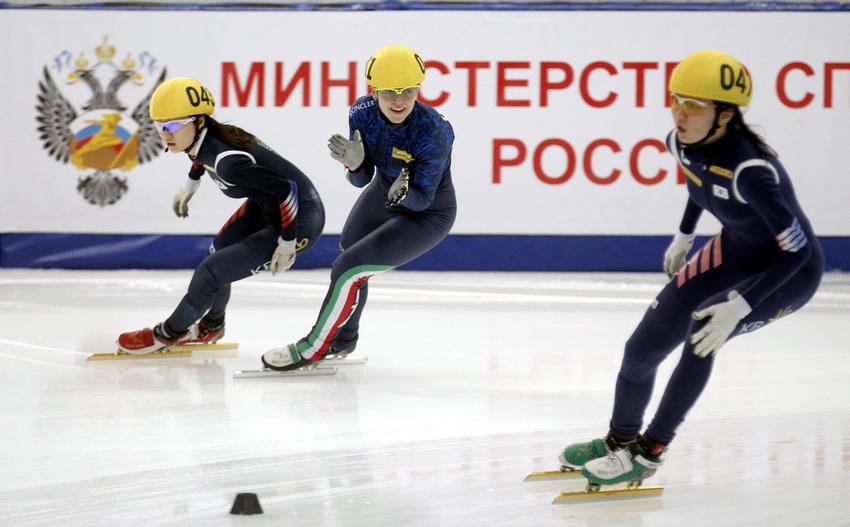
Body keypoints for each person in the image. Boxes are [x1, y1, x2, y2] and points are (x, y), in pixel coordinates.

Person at [559, 50, 824, 486]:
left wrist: (740, 306)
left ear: (725, 114)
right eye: (676, 100)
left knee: (702, 333)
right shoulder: (679, 141)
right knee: (641, 349)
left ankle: (650, 451)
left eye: (694, 105)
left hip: (788, 273)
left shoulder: (751, 170)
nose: (681, 113)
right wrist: (685, 235)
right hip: (735, 251)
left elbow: (796, 253)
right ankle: (619, 441)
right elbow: (698, 182)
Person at [260, 45, 457, 371]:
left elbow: (423, 198)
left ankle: (313, 347)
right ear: (373, 90)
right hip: (384, 190)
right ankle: (344, 338)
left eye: (409, 91)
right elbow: (363, 179)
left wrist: (402, 193)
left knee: (347, 268)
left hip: (428, 212)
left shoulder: (434, 130)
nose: (399, 100)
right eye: (390, 92)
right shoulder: (360, 113)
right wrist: (356, 165)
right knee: (349, 252)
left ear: (419, 89)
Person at [117, 77, 325, 354]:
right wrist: (192, 182)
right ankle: (213, 325)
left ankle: (166, 334)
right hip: (267, 207)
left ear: (200, 121)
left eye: (174, 125)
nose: (166, 134)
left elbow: (288, 190)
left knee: (210, 272)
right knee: (215, 256)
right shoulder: (203, 137)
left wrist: (288, 243)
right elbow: (198, 154)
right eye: (160, 126)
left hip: (300, 218)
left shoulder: (229, 164)